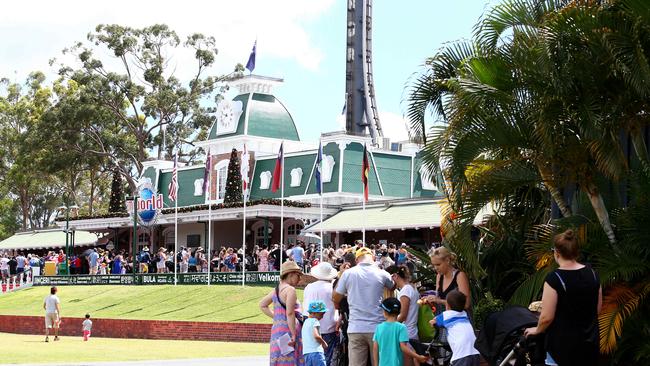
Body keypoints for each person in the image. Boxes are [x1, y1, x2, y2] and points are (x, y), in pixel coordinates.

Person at [524, 229, 602, 366]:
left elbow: (546, 317)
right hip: (589, 345)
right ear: (576, 251)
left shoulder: (554, 279)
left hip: (562, 348)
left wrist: (536, 330)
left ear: (557, 253)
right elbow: (597, 309)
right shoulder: (593, 275)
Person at [333, 247, 395, 366]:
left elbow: (336, 297)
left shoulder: (348, 274)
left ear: (357, 260)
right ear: (373, 258)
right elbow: (392, 286)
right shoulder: (382, 273)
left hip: (356, 327)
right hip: (377, 327)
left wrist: (341, 276)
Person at [260, 261, 305, 366]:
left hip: (277, 331)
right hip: (289, 332)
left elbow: (262, 305)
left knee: (280, 360)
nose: (299, 279)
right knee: (290, 360)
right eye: (298, 275)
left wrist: (277, 317)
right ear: (290, 275)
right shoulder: (290, 290)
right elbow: (290, 313)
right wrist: (293, 334)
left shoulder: (276, 290)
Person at [429, 290, 480, 366]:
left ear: (448, 306)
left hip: (461, 353)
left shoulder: (445, 315)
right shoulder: (464, 314)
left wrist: (432, 322)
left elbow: (433, 322)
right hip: (475, 351)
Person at [373, 297, 428, 366]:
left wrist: (375, 364)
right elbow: (403, 347)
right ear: (399, 312)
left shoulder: (379, 327)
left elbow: (375, 348)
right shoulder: (401, 327)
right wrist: (418, 357)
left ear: (384, 312)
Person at [303, 263, 339, 365]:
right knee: (327, 356)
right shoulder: (332, 288)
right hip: (329, 326)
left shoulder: (309, 287)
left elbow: (305, 307)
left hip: (310, 327)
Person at [387, 265, 422, 366]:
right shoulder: (412, 287)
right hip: (412, 331)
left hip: (406, 333)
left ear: (395, 276)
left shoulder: (405, 291)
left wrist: (389, 327)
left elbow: (403, 315)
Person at [302, 301, 329, 366]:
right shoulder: (315, 321)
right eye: (321, 314)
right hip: (316, 352)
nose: (322, 317)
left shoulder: (305, 322)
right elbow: (316, 336)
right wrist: (323, 343)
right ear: (314, 313)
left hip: (306, 353)